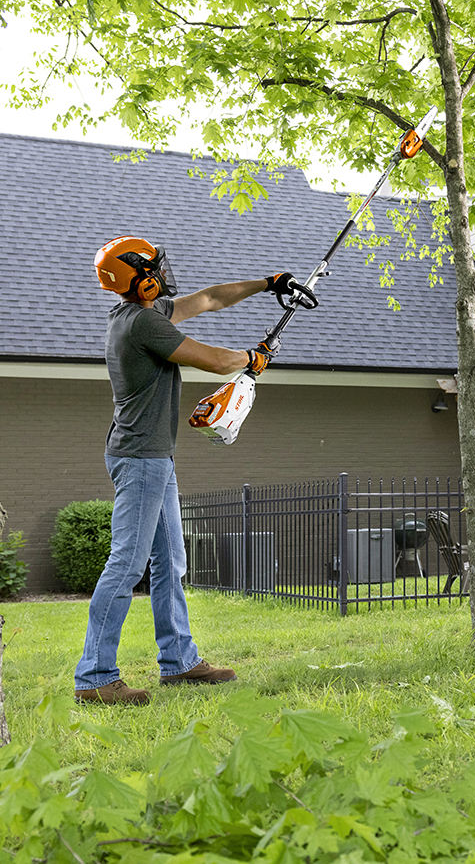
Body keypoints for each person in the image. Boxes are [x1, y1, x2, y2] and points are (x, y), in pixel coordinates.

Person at [75, 235, 308, 705]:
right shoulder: (143, 325)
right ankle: (95, 677)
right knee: (126, 565)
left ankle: (179, 663)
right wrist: (252, 359)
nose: (164, 276)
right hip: (141, 458)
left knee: (171, 561)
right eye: (155, 270)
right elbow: (216, 360)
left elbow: (209, 299)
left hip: (153, 456)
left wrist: (269, 283)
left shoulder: (138, 314)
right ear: (139, 280)